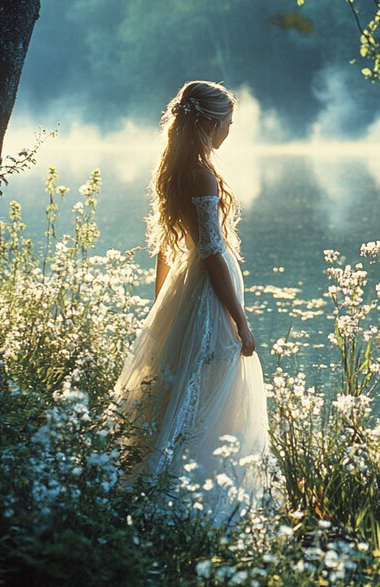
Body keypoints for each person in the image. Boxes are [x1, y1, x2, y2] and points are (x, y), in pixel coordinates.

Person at [112, 80, 268, 521]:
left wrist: (161, 299)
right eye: (228, 123)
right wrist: (239, 318)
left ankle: (177, 483)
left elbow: (165, 247)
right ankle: (193, 497)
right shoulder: (200, 174)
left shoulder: (176, 169)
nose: (229, 132)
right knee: (208, 387)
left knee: (187, 384)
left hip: (187, 287)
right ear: (209, 123)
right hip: (206, 292)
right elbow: (210, 251)